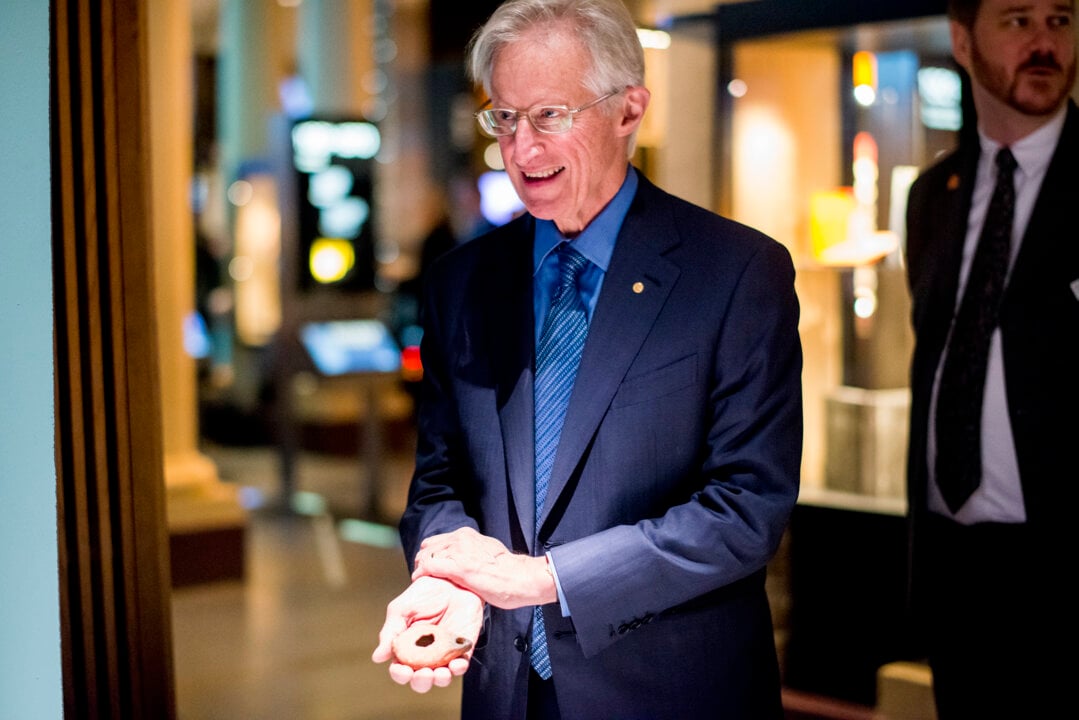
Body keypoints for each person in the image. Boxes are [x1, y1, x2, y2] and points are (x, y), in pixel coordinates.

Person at [371, 1, 803, 717]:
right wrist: (448, 575)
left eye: (549, 116)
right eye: (503, 118)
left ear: (629, 111)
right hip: (505, 691)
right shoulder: (462, 282)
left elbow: (744, 510)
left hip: (672, 691)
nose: (521, 149)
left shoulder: (733, 273)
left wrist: (544, 579)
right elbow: (439, 480)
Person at [903, 0, 1078, 716]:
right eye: (1016, 21)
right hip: (955, 571)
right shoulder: (930, 197)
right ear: (961, 40)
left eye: (1059, 20)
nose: (1043, 43)